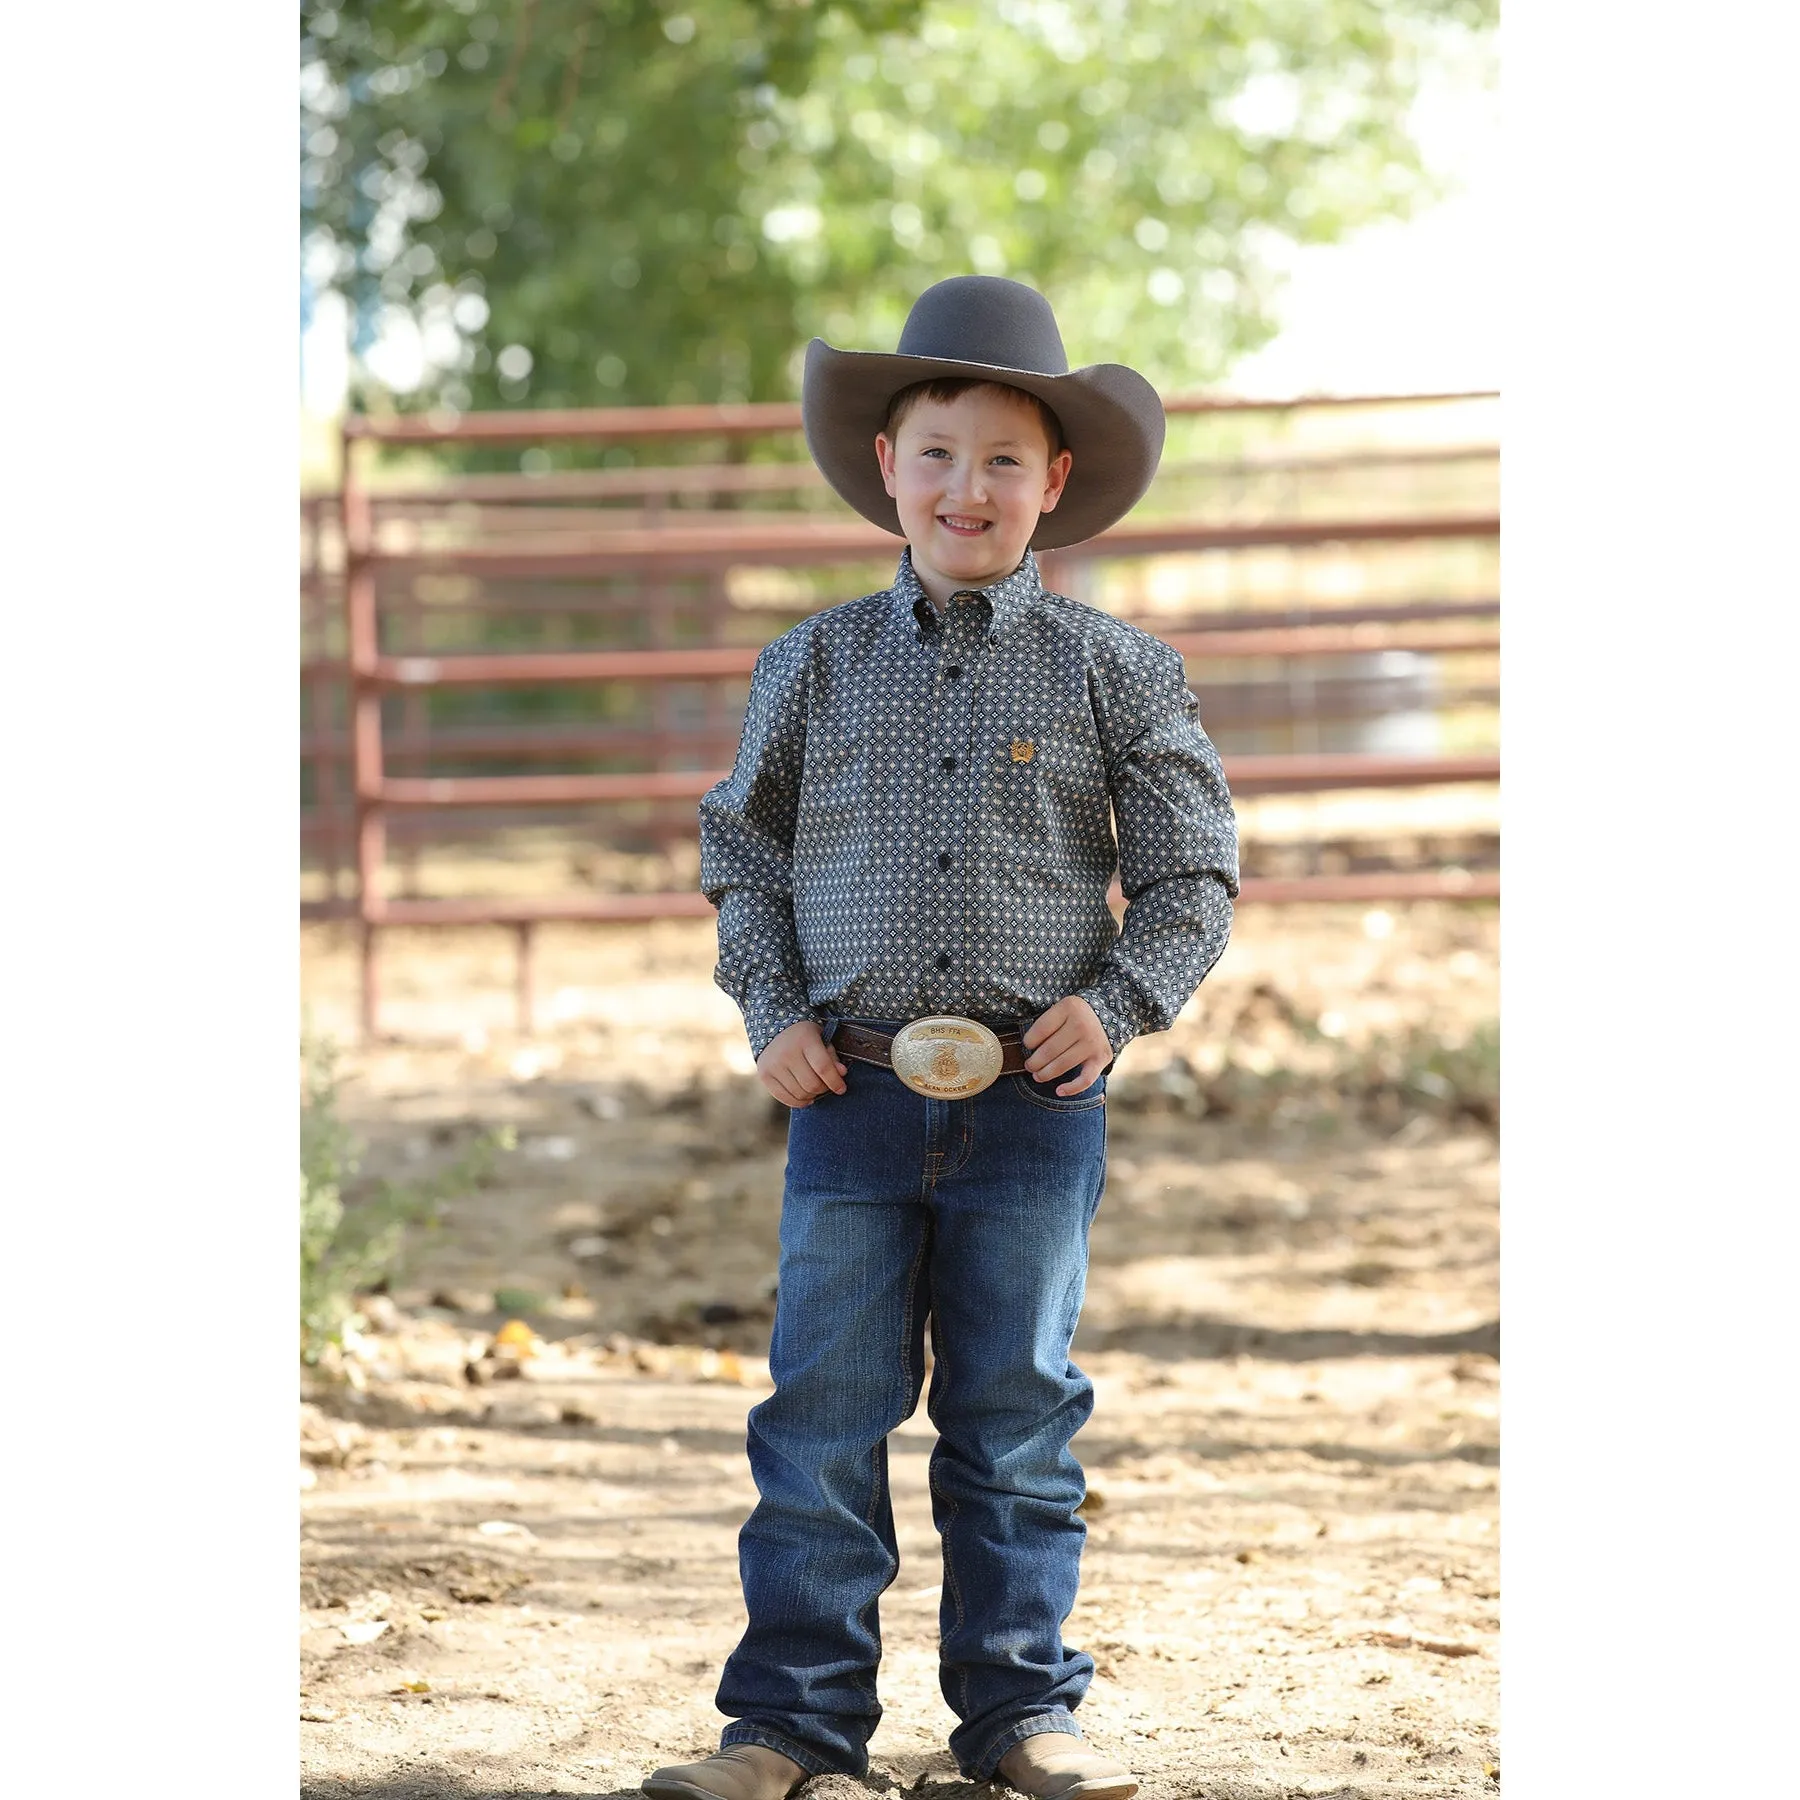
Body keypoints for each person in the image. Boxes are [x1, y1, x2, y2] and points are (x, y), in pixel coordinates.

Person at [644, 275, 1239, 1800]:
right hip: (847, 1082)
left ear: (1054, 484)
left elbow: (1190, 873)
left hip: (1037, 1101)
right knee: (823, 1413)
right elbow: (745, 851)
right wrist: (770, 1010)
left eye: (1000, 460)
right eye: (934, 452)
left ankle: (1021, 1714)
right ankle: (788, 1725)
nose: (964, 486)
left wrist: (1115, 1007)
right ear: (886, 470)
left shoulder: (1121, 672)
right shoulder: (814, 663)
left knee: (1016, 1416)